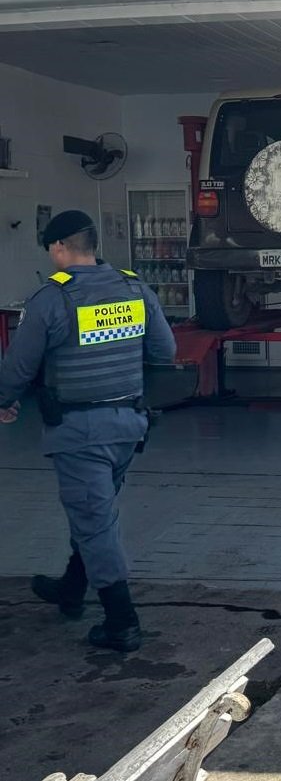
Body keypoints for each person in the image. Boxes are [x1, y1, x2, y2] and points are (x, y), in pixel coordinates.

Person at [0, 210, 176, 652]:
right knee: (93, 512)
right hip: (127, 428)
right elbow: (164, 351)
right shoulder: (134, 287)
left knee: (96, 524)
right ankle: (71, 589)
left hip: (80, 433)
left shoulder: (51, 299)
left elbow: (18, 367)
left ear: (60, 248)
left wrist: (4, 401)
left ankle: (122, 623)